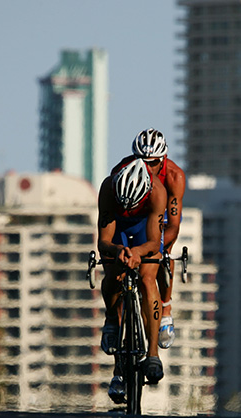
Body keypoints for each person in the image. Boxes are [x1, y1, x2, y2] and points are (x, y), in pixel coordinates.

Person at [97, 158, 167, 403]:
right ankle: (112, 325)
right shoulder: (108, 189)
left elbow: (153, 241)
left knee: (148, 280)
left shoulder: (158, 192)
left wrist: (137, 252)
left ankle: (153, 353)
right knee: (113, 275)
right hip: (117, 231)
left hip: (143, 229)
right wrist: (118, 251)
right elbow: (103, 241)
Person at [110, 129, 186, 350]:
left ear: (162, 159)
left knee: (163, 257)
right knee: (115, 268)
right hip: (133, 218)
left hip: (160, 218)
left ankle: (166, 310)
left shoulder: (174, 176)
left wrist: (156, 249)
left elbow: (173, 226)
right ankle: (114, 321)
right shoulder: (121, 171)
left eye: (152, 162)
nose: (146, 167)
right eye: (141, 160)